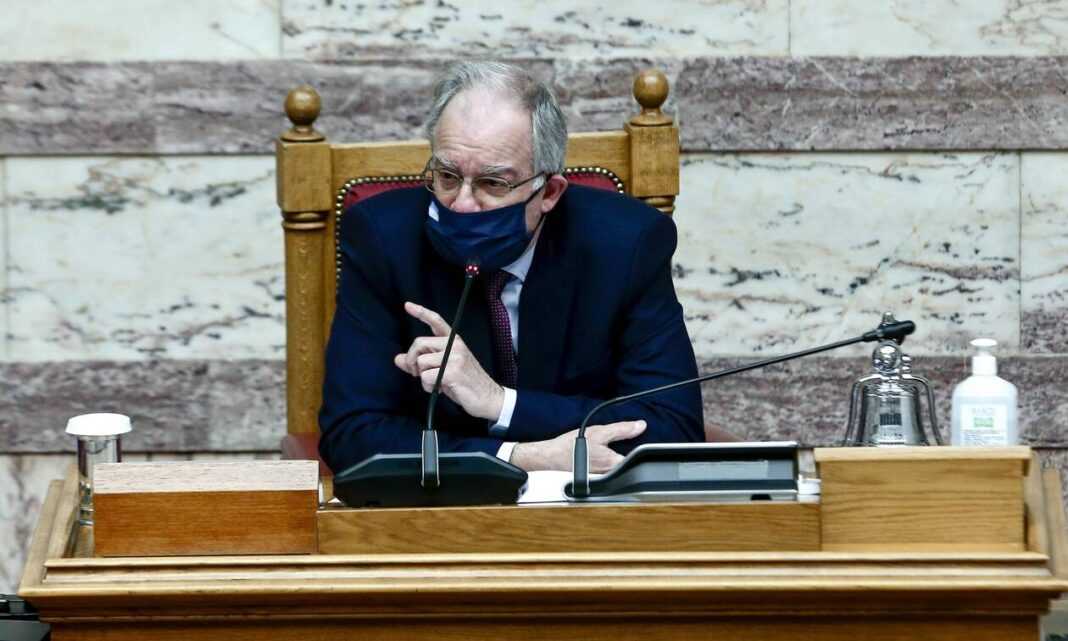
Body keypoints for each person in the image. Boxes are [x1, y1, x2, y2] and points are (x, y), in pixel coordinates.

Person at [318, 60, 705, 475]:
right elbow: (351, 435)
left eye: (493, 183)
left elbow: (672, 430)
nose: (462, 204)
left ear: (549, 192)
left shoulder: (626, 245)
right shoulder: (383, 238)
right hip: (443, 505)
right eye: (447, 176)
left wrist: (500, 403)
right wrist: (517, 457)